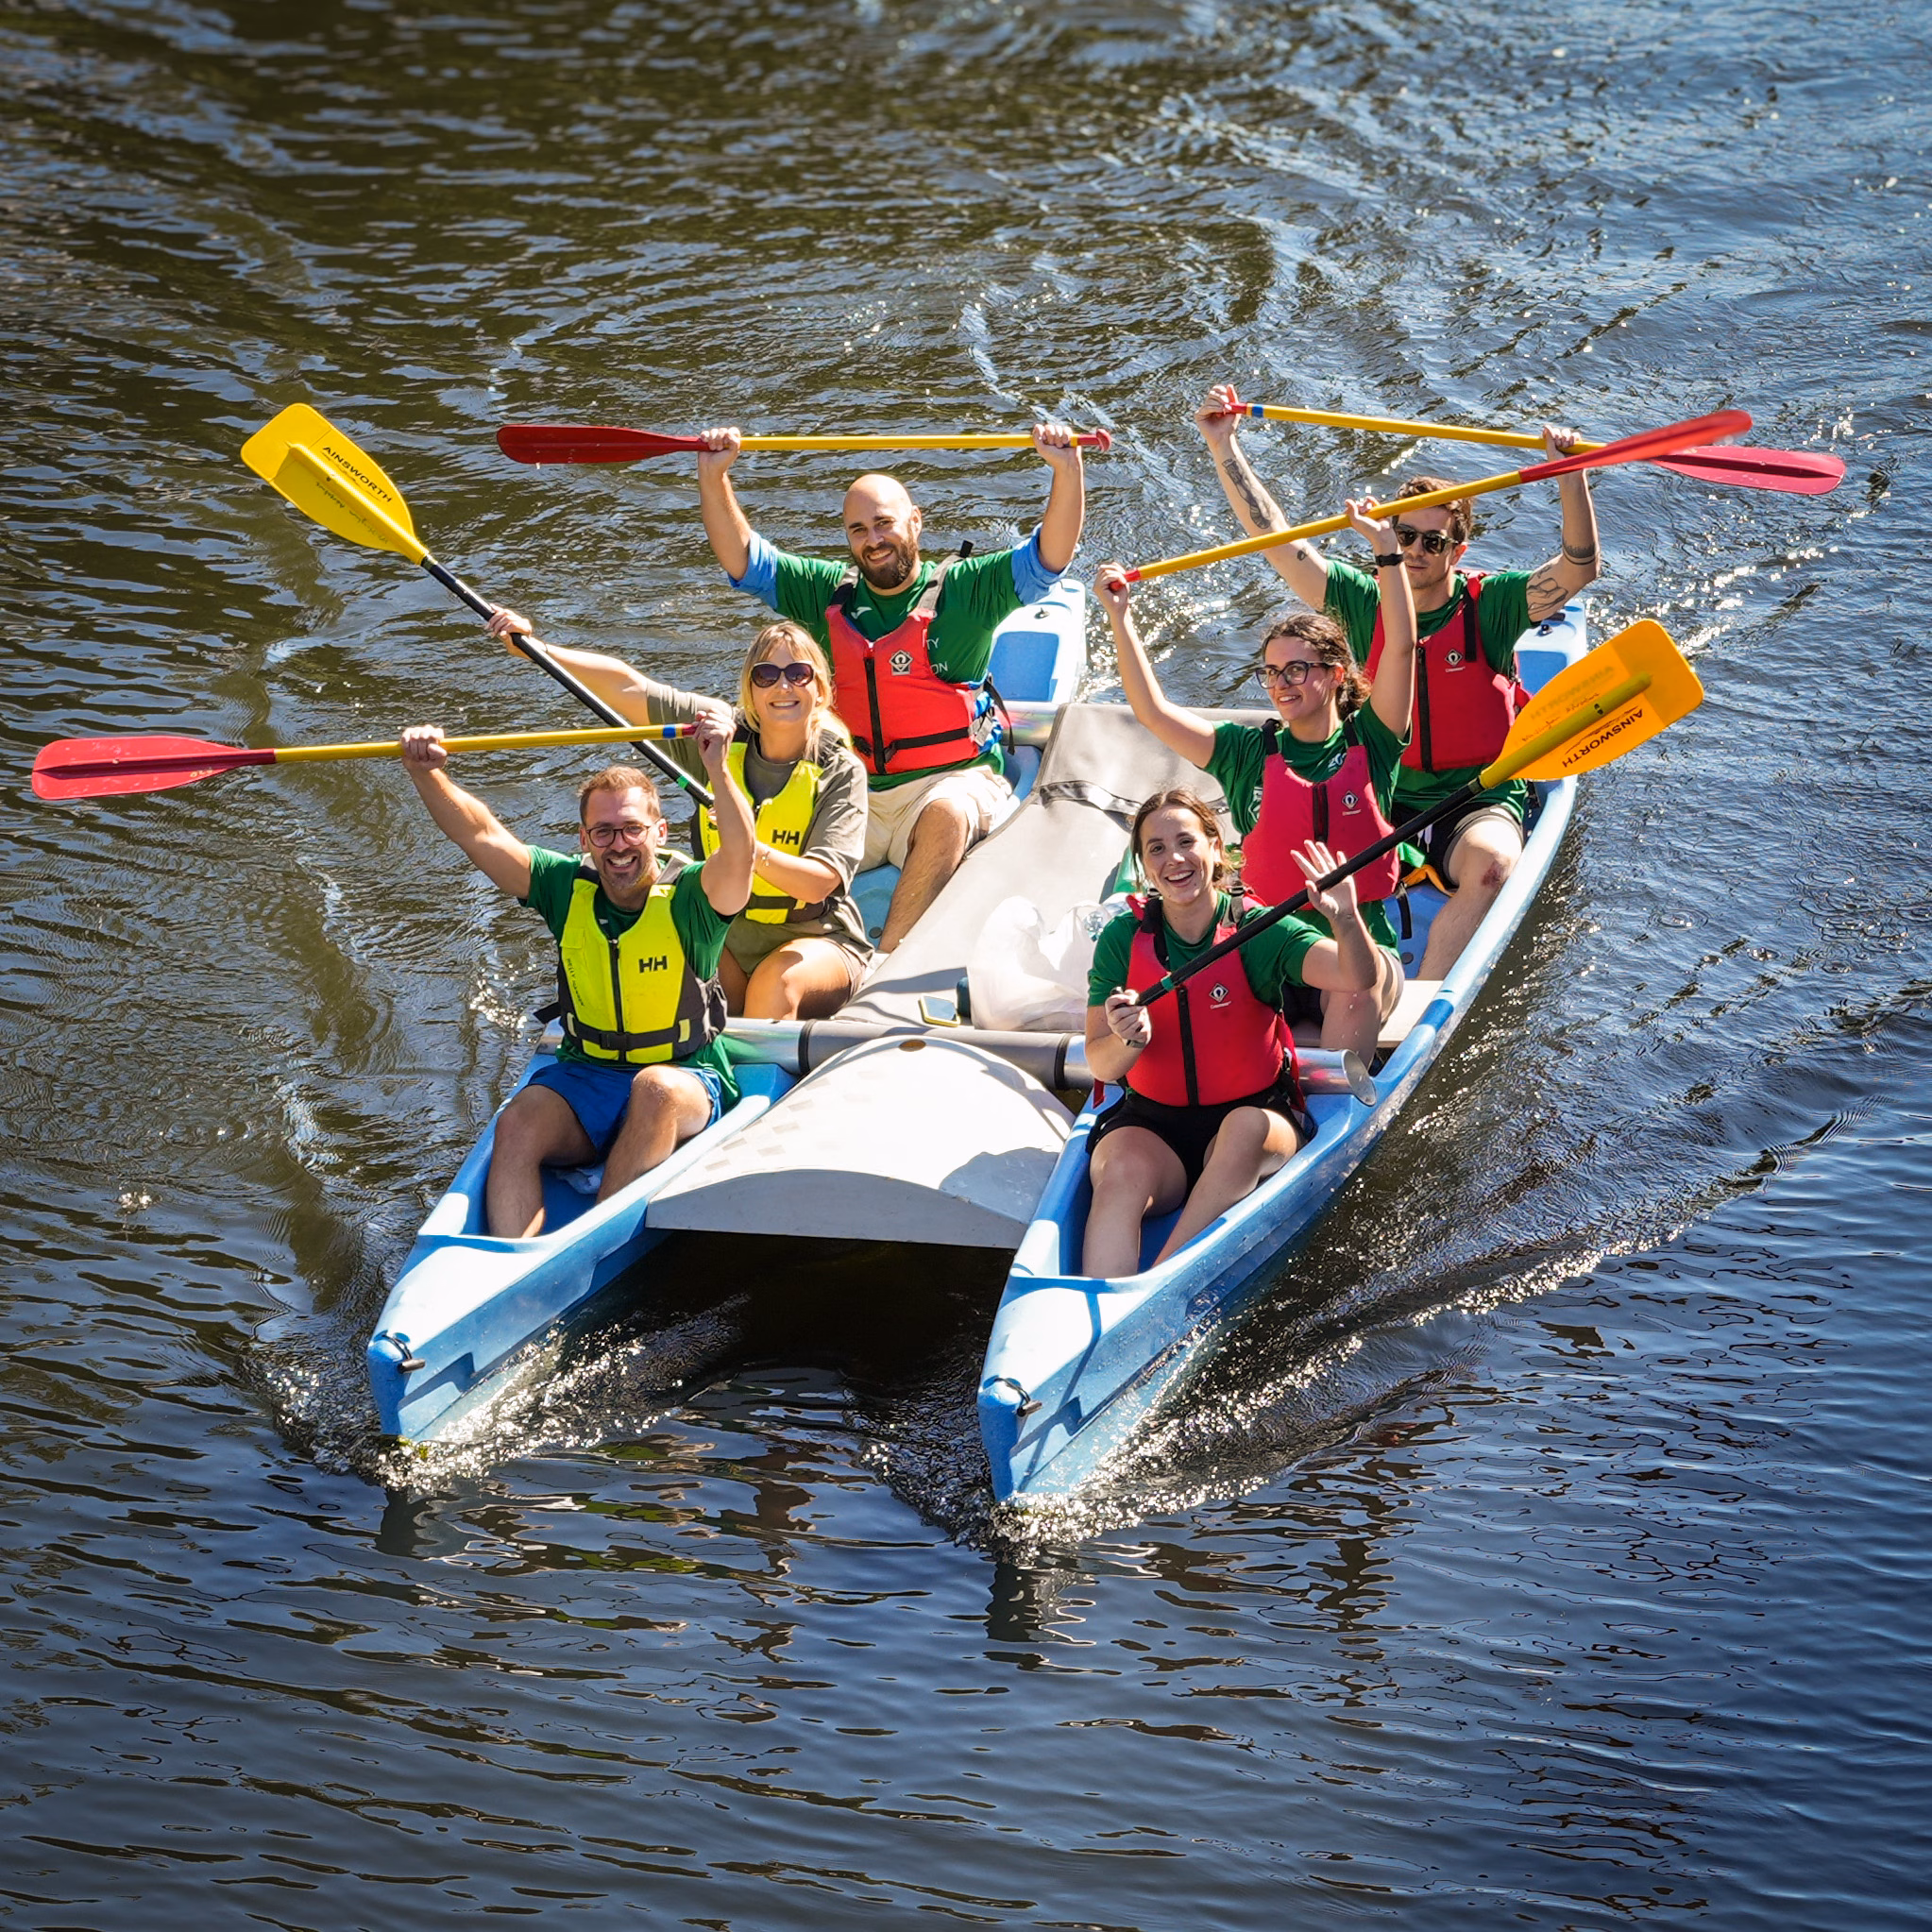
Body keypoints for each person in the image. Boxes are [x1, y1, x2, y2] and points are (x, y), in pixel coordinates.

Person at [1194, 383, 1603, 975]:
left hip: (1477, 793)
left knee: (1491, 867)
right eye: (1404, 536)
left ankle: (1422, 1007)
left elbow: (1580, 566)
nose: (1414, 551)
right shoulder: (1363, 601)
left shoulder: (1493, 604)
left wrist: (1570, 475)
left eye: (1432, 542)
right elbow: (1277, 541)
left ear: (1457, 551)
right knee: (1272, 868)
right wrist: (1223, 445)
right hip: (1380, 794)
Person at [693, 419, 1088, 949]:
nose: (873, 540)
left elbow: (1049, 557)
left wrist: (1066, 467)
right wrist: (714, 476)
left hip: (950, 779)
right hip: (852, 784)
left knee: (946, 814)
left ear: (915, 523)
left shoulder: (966, 589)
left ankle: (885, 963)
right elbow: (744, 559)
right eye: (858, 530)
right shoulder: (827, 593)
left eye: (884, 524)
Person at [398, 718, 754, 1239]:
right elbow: (480, 834)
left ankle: (588, 1245)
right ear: (585, 838)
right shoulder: (565, 887)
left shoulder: (694, 896)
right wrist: (427, 773)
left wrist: (719, 772)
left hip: (684, 1074)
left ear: (660, 831)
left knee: (653, 1089)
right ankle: (512, 1263)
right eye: (603, 832)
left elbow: (741, 853)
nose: (619, 845)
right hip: (588, 1071)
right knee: (516, 1123)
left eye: (633, 828)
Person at [1093, 497, 1416, 1061]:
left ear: (1336, 675)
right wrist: (1119, 617)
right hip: (1271, 945)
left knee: (1353, 990)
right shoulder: (1246, 751)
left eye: (1297, 669)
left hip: (1361, 950)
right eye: (1270, 672)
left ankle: (1334, 1109)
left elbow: (1404, 648)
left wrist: (1387, 552)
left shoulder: (1375, 738)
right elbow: (1152, 711)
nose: (1281, 684)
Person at [483, 607, 872, 1020]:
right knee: (666, 964)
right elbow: (629, 687)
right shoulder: (717, 737)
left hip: (818, 938)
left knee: (774, 984)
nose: (782, 686)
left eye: (799, 674)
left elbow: (818, 885)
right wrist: (537, 649)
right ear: (750, 690)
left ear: (821, 690)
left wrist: (745, 846)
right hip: (726, 933)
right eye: (766, 675)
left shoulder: (840, 769)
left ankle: (761, 1079)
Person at [1080, 791, 1375, 1279]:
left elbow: (1355, 977)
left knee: (1244, 1128)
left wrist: (1345, 916)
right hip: (1156, 1131)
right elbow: (1101, 1066)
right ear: (1144, 865)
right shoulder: (1121, 939)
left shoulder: (1257, 929)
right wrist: (1125, 1040)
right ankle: (1096, 1298)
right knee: (1119, 1171)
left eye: (1185, 841)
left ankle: (1161, 1282)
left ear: (1215, 848)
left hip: (1256, 1120)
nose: (1173, 858)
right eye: (1156, 848)